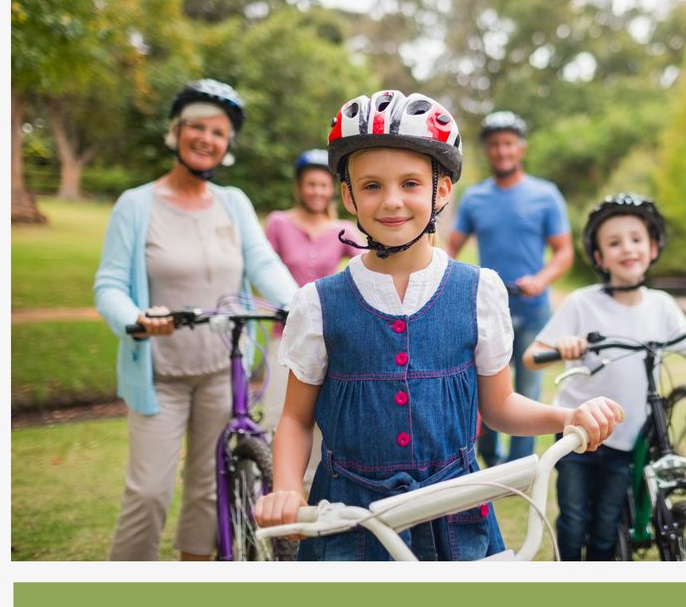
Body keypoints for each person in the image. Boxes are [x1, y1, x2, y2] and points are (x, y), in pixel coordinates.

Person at [253, 89, 621, 562]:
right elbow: (296, 419)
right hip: (350, 520)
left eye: (410, 183)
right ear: (347, 194)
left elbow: (500, 405)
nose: (391, 202)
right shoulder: (319, 304)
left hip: (457, 515)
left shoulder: (478, 291)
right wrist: (287, 489)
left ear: (441, 190)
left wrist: (564, 416)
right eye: (371, 186)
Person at [94, 79, 297, 561]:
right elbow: (108, 286)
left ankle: (196, 579)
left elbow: (263, 263)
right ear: (175, 132)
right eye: (197, 127)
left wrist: (299, 302)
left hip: (220, 373)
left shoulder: (234, 203)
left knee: (210, 491)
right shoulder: (136, 205)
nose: (206, 138)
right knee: (148, 492)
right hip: (159, 375)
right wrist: (138, 318)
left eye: (218, 132)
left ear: (227, 145)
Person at [525, 195, 686, 561]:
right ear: (599, 257)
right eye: (614, 243)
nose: (627, 248)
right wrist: (564, 345)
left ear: (653, 247)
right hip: (576, 433)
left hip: (624, 437)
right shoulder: (583, 302)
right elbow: (532, 358)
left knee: (608, 522)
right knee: (575, 518)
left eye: (637, 239)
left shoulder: (660, 305)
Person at [447, 110, 573, 466]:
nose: (502, 151)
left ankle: (522, 470)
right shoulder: (474, 198)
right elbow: (450, 247)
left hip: (534, 310)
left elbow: (564, 252)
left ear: (521, 148)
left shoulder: (545, 195)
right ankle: (491, 461)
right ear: (487, 151)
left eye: (508, 144)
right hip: (487, 311)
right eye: (495, 146)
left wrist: (541, 279)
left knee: (528, 390)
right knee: (486, 392)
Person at [263, 149, 364, 482]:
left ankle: (305, 491)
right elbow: (262, 269)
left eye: (323, 185)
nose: (317, 191)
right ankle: (269, 485)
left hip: (327, 335)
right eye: (311, 185)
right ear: (299, 187)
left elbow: (371, 258)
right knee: (278, 414)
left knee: (320, 421)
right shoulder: (279, 223)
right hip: (284, 333)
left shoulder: (342, 228)